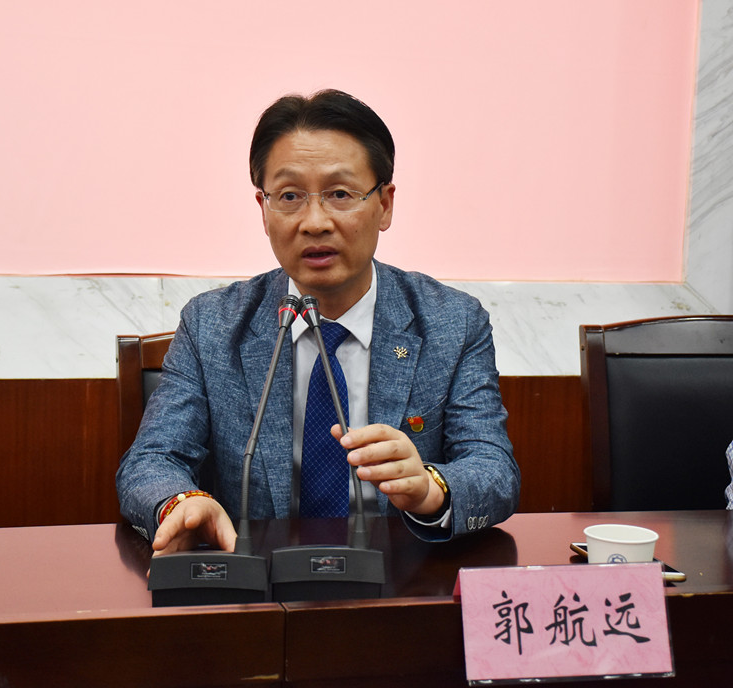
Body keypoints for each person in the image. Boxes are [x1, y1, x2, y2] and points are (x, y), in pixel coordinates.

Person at [116, 89, 520, 556]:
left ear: (385, 204)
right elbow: (151, 461)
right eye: (289, 196)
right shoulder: (211, 325)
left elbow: (493, 469)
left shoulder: (452, 322)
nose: (314, 222)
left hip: (402, 580)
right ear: (263, 209)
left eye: (339, 194)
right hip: (257, 581)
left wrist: (430, 488)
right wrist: (182, 503)